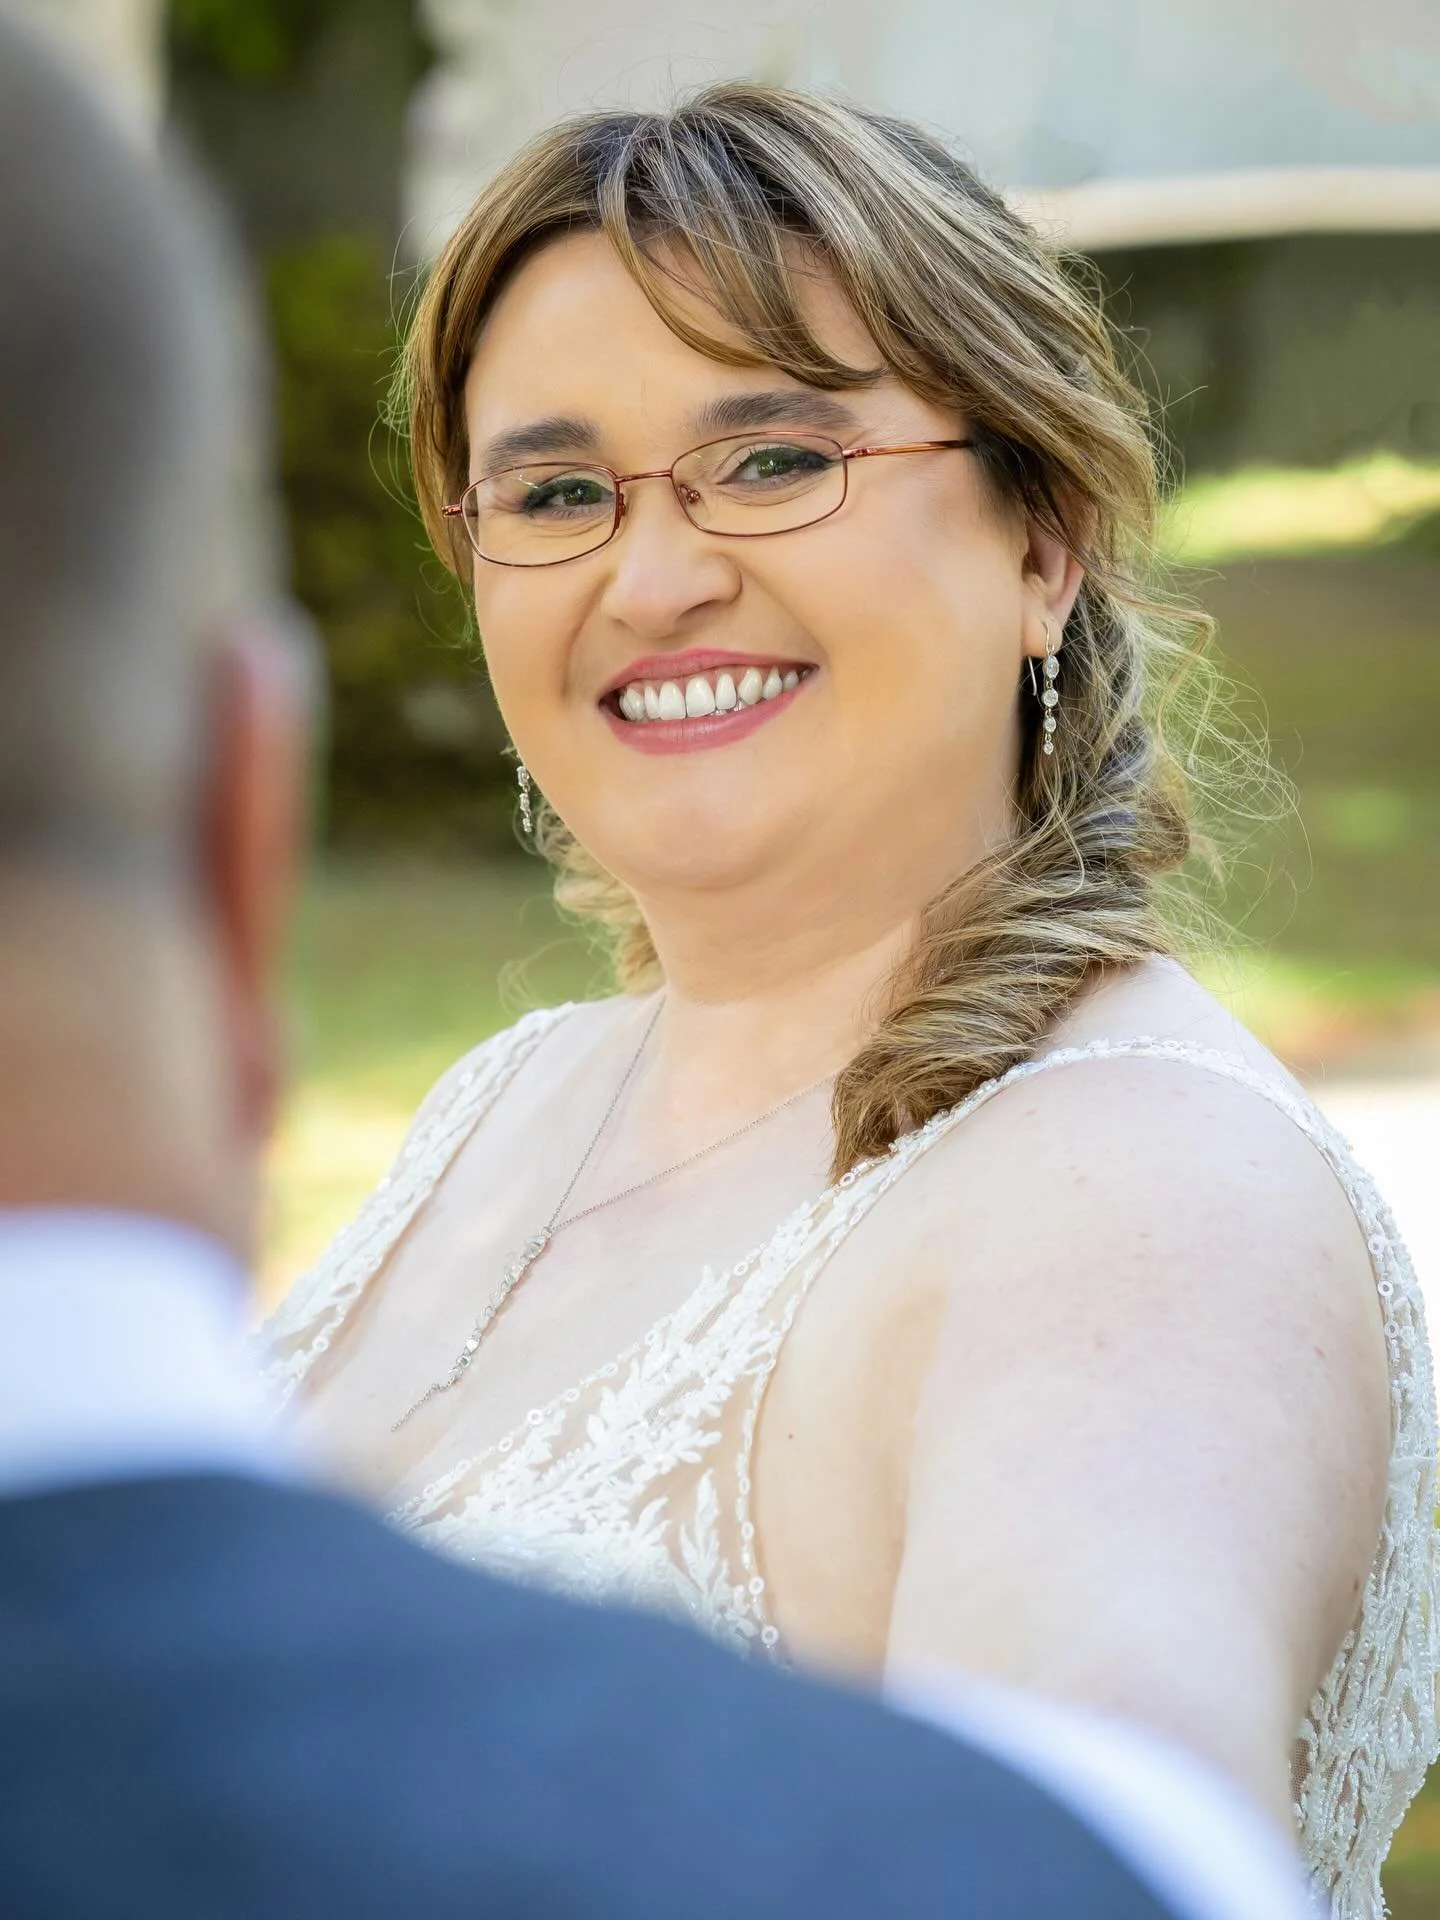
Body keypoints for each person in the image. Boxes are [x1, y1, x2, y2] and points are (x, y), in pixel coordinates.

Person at [0, 16, 1318, 1920]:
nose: (655, 576)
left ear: (1049, 535)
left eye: (770, 459)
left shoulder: (1143, 1193)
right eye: (552, 495)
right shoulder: (509, 1097)